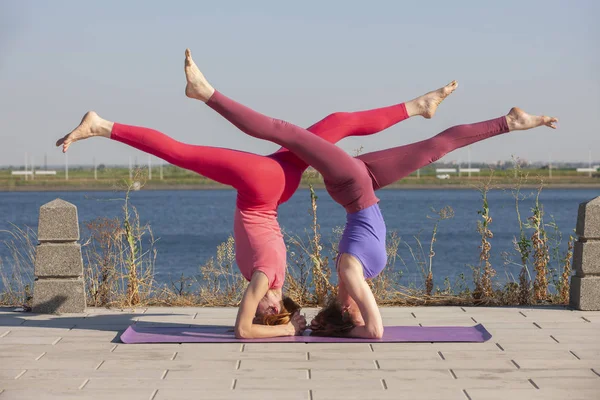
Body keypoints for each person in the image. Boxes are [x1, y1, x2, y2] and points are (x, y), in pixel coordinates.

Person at [56, 49, 457, 339]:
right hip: (270, 184)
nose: (267, 304)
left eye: (268, 311)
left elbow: (245, 327)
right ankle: (417, 106)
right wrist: (301, 325)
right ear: (279, 309)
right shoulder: (269, 276)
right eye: (274, 309)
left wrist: (288, 327)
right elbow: (258, 324)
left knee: (188, 153)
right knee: (332, 123)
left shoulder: (262, 277)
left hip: (267, 185)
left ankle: (110, 125)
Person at [179, 50, 558, 338]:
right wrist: (349, 328)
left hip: (353, 186)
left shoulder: (351, 273)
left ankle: (208, 94)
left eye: (357, 310)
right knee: (427, 145)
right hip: (363, 185)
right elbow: (373, 329)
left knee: (292, 131)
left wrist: (339, 327)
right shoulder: (358, 274)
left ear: (348, 309)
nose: (367, 307)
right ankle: (492, 119)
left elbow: (372, 329)